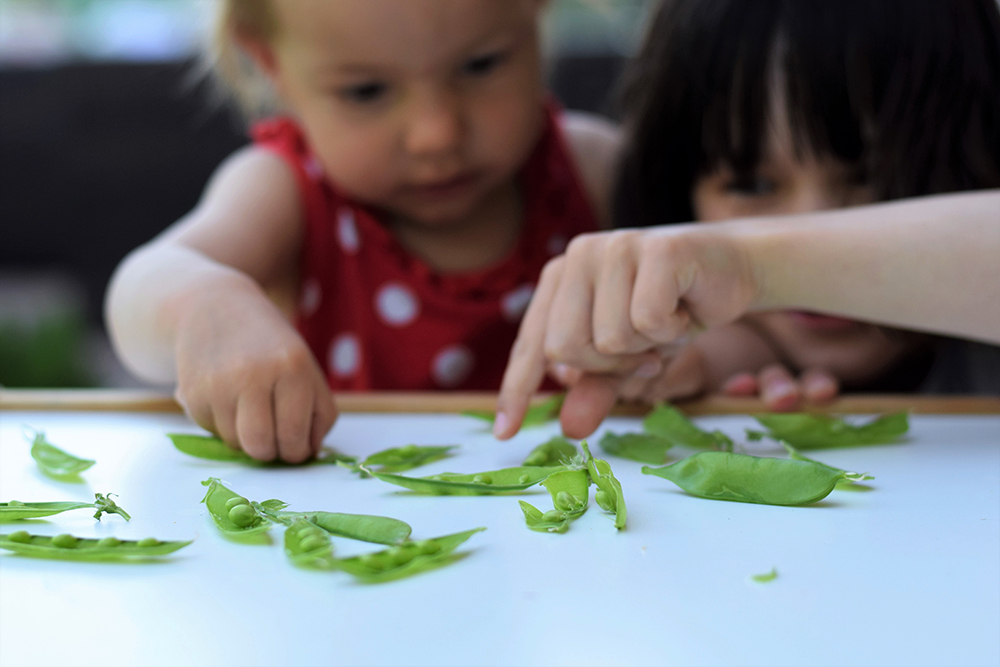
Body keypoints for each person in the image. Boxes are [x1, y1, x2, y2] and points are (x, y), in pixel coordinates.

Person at [105, 0, 620, 462]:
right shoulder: (286, 191)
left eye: (480, 65)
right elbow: (138, 288)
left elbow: (699, 281)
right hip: (343, 552)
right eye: (366, 91)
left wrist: (693, 346)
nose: (435, 134)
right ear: (272, 67)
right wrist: (203, 303)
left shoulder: (595, 171)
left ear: (537, 12)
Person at [494, 0, 1000, 440]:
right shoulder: (695, 364)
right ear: (675, 193)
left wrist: (752, 264)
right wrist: (692, 365)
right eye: (752, 186)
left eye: (871, 175)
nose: (812, 222)